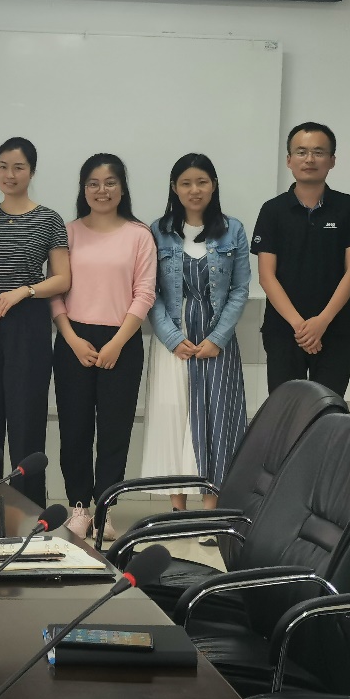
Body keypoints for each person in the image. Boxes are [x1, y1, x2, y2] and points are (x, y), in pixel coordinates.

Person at [51, 155, 156, 541]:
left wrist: (116, 343)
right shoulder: (67, 232)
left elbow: (144, 293)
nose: (102, 190)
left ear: (122, 188)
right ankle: (79, 508)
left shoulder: (139, 235)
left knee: (115, 432)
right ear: (83, 189)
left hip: (122, 340)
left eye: (110, 182)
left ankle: (104, 512)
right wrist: (71, 338)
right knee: (74, 428)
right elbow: (55, 291)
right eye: (93, 183)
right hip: (73, 339)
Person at [142, 153, 250, 523]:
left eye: (202, 182)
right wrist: (171, 337)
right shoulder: (158, 231)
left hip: (217, 338)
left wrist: (219, 337)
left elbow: (240, 289)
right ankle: (177, 511)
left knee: (219, 416)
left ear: (214, 185)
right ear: (174, 188)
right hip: (173, 338)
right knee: (173, 415)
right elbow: (150, 291)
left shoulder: (233, 230)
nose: (194, 190)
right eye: (186, 183)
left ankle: (210, 511)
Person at [0, 137, 70, 507]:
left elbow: (62, 278)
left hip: (28, 322)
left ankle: (28, 511)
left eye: (18, 167)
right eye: (3, 166)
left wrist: (24, 291)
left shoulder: (49, 219)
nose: (9, 174)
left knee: (27, 420)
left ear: (32, 172)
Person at [252, 122, 350, 396]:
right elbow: (266, 276)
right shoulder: (272, 211)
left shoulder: (349, 207)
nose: (309, 159)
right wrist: (300, 326)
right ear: (289, 160)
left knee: (328, 410)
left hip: (334, 327)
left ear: (332, 160)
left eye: (318, 152)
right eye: (301, 152)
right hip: (284, 329)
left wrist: (321, 322)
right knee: (286, 409)